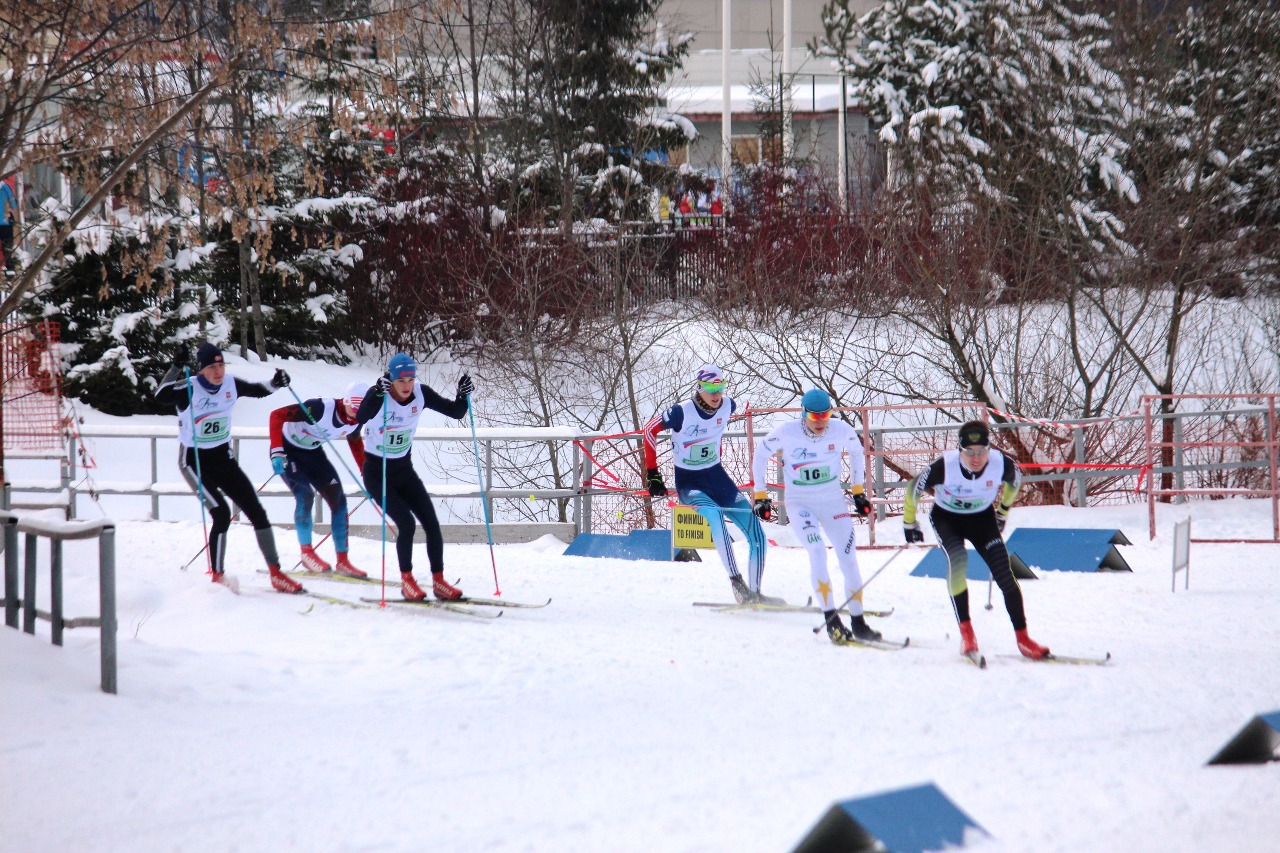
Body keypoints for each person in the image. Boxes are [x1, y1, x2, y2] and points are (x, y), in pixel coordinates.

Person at [155, 342, 301, 593]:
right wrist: (177, 366)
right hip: (194, 461)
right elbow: (160, 396)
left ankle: (276, 573)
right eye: (211, 366)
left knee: (256, 511)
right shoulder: (189, 387)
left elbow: (258, 390)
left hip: (223, 458)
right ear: (201, 370)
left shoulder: (230, 384)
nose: (218, 371)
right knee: (221, 513)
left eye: (221, 365)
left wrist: (277, 382)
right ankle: (217, 574)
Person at [902, 419, 1050, 659]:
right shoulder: (945, 466)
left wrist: (1003, 511)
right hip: (947, 520)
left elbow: (1015, 482)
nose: (975, 458)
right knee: (958, 561)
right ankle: (967, 633)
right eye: (969, 452)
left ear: (988, 449)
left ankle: (1023, 639)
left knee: (1004, 573)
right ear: (960, 450)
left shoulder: (1001, 464)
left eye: (981, 451)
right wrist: (909, 522)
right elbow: (912, 489)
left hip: (982, 521)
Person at [752, 389, 880, 643]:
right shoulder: (788, 432)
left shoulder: (840, 429)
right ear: (804, 413)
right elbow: (760, 454)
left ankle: (859, 622)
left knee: (849, 558)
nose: (821, 421)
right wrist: (760, 495)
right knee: (818, 551)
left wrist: (858, 492)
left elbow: (857, 453)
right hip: (800, 504)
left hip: (833, 501)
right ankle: (832, 620)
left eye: (826, 414)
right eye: (815, 415)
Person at [642, 364, 772, 604]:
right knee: (713, 516)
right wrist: (653, 474)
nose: (716, 394)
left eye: (720, 387)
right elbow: (649, 430)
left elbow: (715, 433)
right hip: (691, 484)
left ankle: (755, 594)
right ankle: (738, 585)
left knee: (757, 532)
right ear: (700, 387)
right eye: (711, 388)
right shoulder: (681, 412)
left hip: (718, 478)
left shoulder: (728, 406)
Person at [354, 353, 473, 601]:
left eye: (410, 378)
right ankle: (407, 581)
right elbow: (361, 416)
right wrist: (377, 392)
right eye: (401, 380)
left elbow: (456, 412)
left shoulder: (421, 393)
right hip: (377, 474)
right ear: (392, 379)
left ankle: (439, 581)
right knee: (406, 524)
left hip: (404, 472)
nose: (407, 385)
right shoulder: (380, 393)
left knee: (431, 524)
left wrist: (463, 395)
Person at [268, 382, 369, 578]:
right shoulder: (321, 408)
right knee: (305, 496)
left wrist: (366, 473)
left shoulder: (358, 418)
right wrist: (276, 451)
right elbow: (276, 415)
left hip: (314, 454)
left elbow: (355, 441)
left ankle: (343, 560)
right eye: (354, 407)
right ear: (346, 401)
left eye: (362, 410)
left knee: (339, 500)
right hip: (288, 452)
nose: (357, 414)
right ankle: (307, 553)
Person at [0, 178, 16, 270]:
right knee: (7, 249)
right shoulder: (6, 187)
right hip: (6, 222)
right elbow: (13, 204)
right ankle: (9, 271)